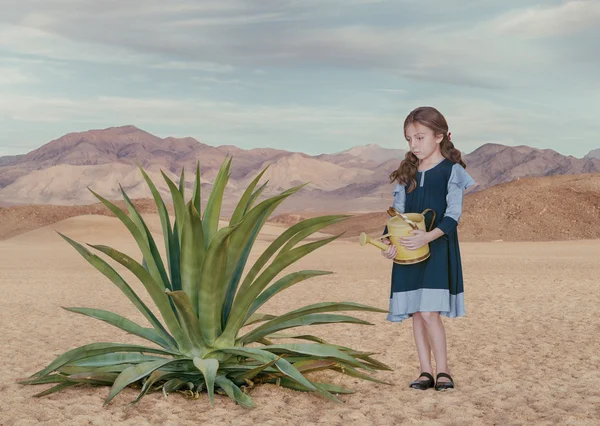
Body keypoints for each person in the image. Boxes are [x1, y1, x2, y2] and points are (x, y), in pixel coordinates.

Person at [381, 106, 475, 391]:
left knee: (430, 312)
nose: (414, 145)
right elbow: (396, 215)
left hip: (438, 249)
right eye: (409, 139)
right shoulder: (406, 174)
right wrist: (388, 243)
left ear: (440, 136)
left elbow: (453, 216)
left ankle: (443, 371)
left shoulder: (452, 171)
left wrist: (426, 237)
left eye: (419, 138)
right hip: (407, 252)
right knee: (416, 312)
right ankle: (425, 372)